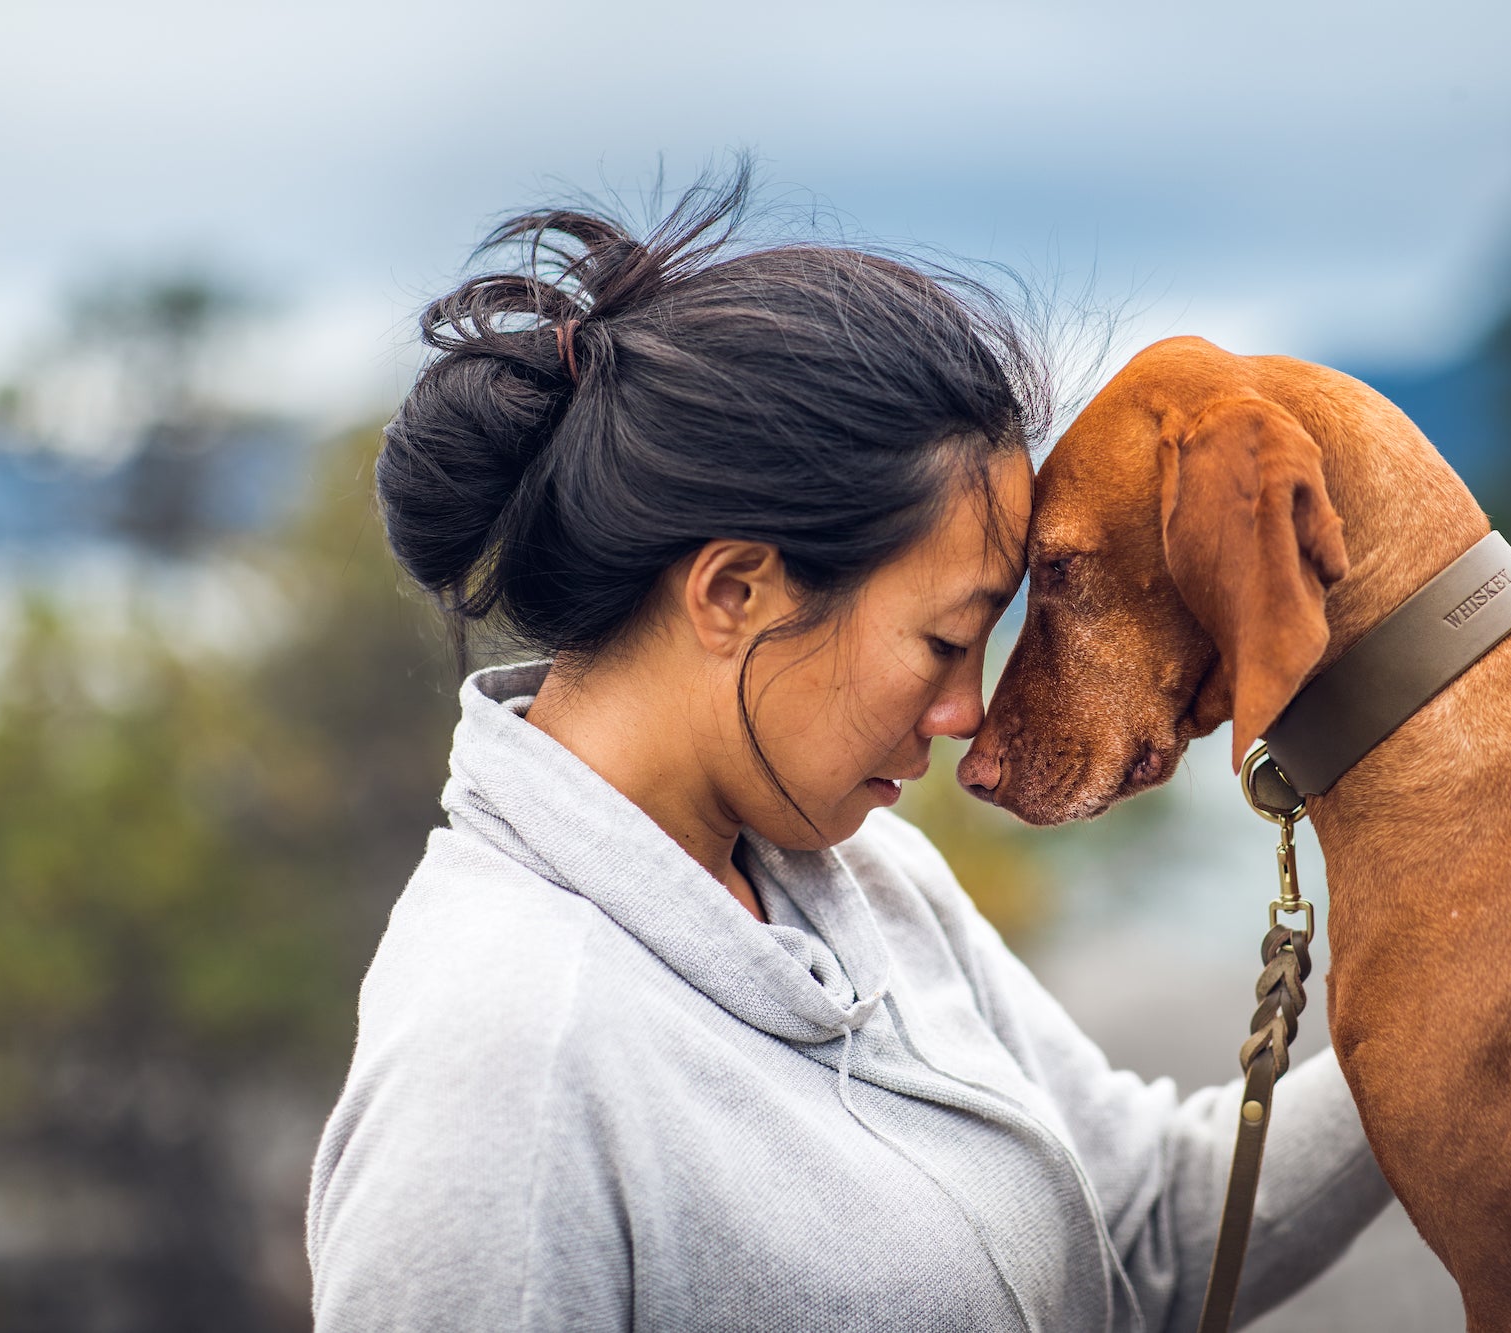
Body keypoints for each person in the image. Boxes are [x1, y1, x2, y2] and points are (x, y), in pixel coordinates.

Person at [305, 169, 1390, 1332]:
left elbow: (1145, 1236)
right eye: (943, 640)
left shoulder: (864, 877)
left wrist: (1486, 998)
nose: (965, 716)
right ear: (733, 591)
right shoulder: (506, 1060)